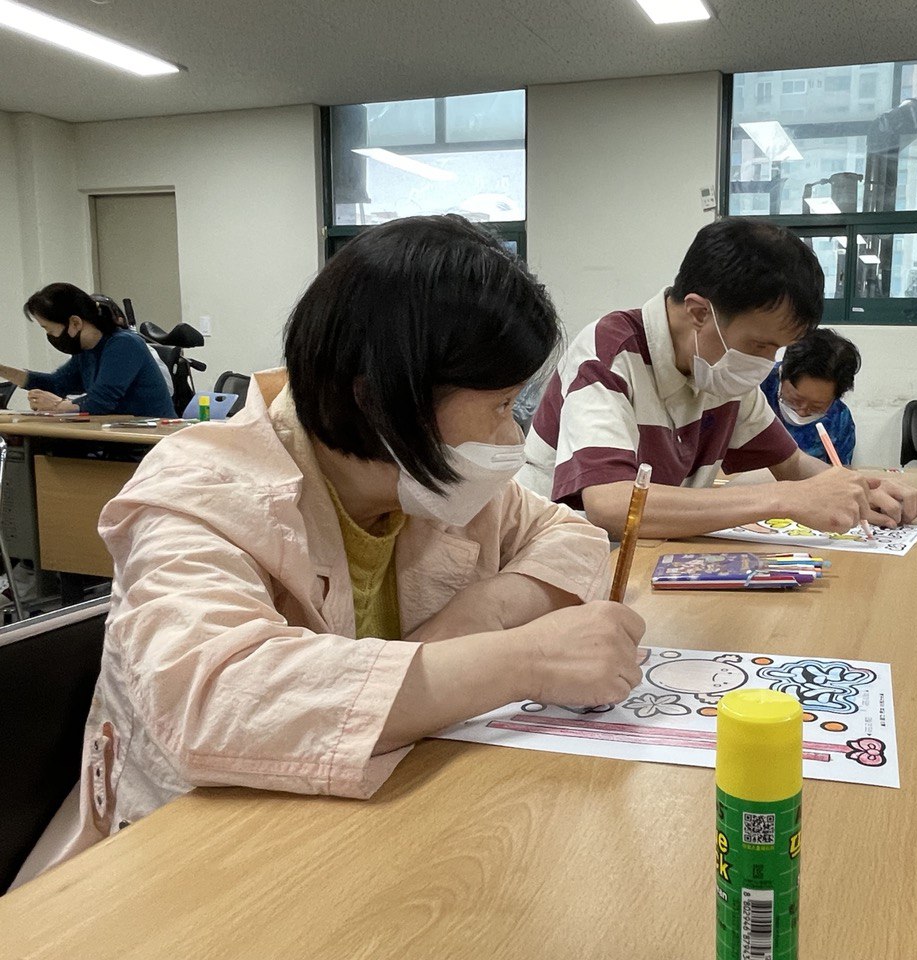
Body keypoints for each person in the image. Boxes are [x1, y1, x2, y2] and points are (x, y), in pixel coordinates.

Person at [13, 216, 644, 885]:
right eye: (498, 405)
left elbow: (570, 535)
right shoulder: (198, 491)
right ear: (380, 401)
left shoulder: (430, 486)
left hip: (366, 835)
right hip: (197, 859)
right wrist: (528, 659)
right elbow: (220, 701)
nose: (509, 434)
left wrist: (482, 614)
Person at [519, 218, 917, 538]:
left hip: (651, 555)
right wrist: (784, 499)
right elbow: (610, 502)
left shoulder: (721, 373)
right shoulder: (610, 352)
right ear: (698, 313)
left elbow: (793, 465)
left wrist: (864, 490)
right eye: (761, 344)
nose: (767, 363)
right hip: (560, 552)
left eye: (778, 349)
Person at [0, 283, 175, 417]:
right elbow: (56, 384)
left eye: (50, 329)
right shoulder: (86, 351)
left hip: (150, 442)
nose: (50, 335)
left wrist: (58, 405)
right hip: (115, 438)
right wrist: (2, 370)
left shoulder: (124, 344)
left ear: (75, 323)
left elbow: (100, 402)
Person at [761, 328, 860, 465]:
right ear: (782, 373)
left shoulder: (839, 418)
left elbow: (840, 472)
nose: (802, 412)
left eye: (816, 407)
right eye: (795, 400)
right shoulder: (755, 389)